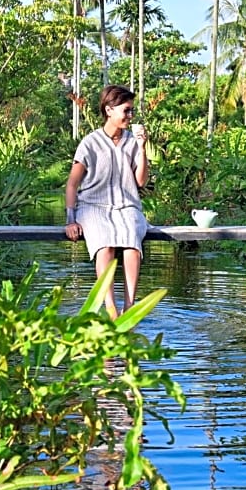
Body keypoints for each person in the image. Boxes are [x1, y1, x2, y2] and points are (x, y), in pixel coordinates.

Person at [64, 85, 150, 319]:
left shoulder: (133, 142)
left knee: (132, 241)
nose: (130, 116)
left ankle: (130, 307)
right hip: (93, 206)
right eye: (127, 110)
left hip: (127, 205)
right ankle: (111, 308)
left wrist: (142, 150)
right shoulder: (90, 143)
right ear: (109, 110)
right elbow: (72, 184)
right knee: (105, 244)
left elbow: (140, 182)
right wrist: (70, 220)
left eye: (132, 111)